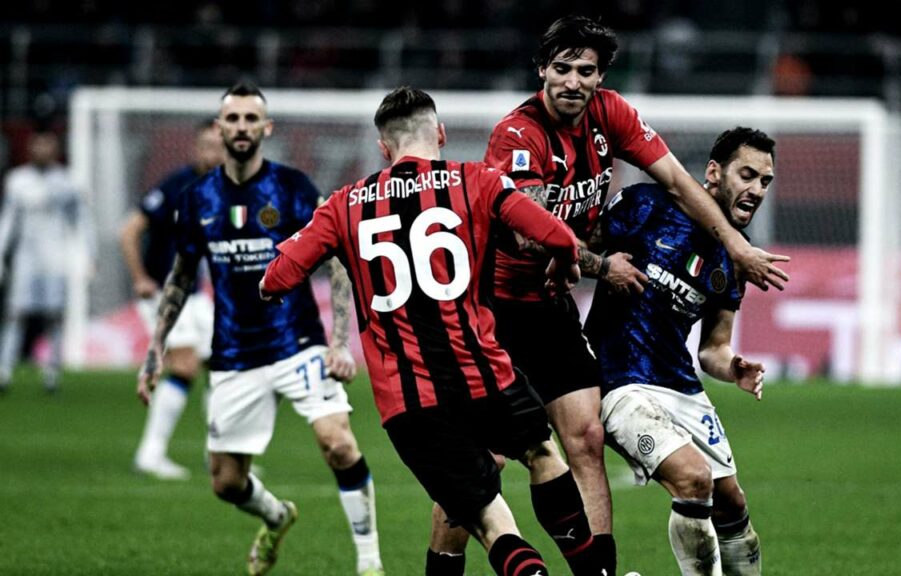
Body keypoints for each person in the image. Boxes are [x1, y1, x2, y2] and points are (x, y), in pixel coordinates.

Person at [450, 15, 790, 573]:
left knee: (590, 441)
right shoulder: (520, 136)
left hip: (573, 320)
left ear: (601, 77)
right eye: (563, 68)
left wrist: (735, 251)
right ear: (543, 69)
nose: (574, 81)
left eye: (587, 71)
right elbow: (524, 229)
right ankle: (441, 563)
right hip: (501, 308)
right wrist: (593, 264)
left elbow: (680, 185)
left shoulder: (612, 115)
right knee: (481, 460)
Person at [260, 86, 609, 576]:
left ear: (384, 149)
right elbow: (554, 234)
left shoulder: (344, 205)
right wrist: (565, 262)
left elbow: (277, 276)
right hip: (486, 373)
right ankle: (593, 572)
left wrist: (272, 287)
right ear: (440, 134)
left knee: (488, 520)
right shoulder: (478, 181)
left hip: (410, 400)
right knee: (543, 453)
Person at [136, 81, 384, 576]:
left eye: (252, 119)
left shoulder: (292, 188)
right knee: (227, 483)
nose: (243, 127)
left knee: (338, 442)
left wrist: (338, 342)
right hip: (233, 353)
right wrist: (156, 348)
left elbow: (336, 260)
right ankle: (275, 515)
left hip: (298, 344)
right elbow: (182, 276)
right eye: (233, 119)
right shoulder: (197, 198)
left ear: (266, 128)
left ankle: (370, 563)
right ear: (219, 127)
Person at [585, 127, 775, 575]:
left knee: (732, 503)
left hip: (680, 384)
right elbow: (575, 250)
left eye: (765, 181)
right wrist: (603, 269)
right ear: (714, 172)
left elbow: (713, 347)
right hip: (620, 379)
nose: (757, 189)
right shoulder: (645, 206)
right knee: (694, 480)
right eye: (747, 175)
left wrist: (734, 367)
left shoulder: (735, 256)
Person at [121, 122, 223, 480]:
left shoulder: (222, 190)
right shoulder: (175, 185)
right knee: (184, 365)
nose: (211, 154)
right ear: (195, 148)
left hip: (193, 295)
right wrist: (139, 278)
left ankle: (219, 455)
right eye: (205, 146)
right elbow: (129, 230)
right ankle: (150, 453)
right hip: (163, 293)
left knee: (224, 364)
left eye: (218, 146)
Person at [0, 130, 92, 394]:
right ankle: (4, 371)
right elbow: (8, 221)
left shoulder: (68, 181)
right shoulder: (17, 180)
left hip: (56, 258)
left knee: (54, 316)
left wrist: (88, 255)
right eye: (38, 144)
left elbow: (82, 222)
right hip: (25, 259)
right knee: (15, 314)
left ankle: (51, 373)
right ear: (30, 148)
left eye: (47, 144)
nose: (42, 149)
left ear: (56, 148)